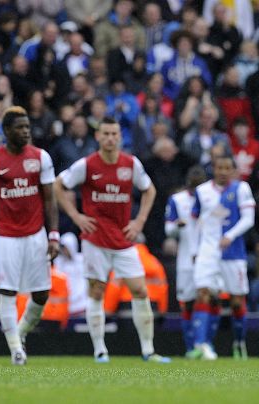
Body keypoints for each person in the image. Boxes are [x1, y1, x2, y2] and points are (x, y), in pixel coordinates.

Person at [53, 117, 170, 364]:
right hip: (95, 239)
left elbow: (149, 190)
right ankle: (100, 350)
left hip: (123, 239)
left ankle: (148, 350)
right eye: (105, 133)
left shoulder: (131, 164)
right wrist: (76, 216)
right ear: (98, 136)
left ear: (120, 137)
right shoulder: (86, 165)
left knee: (140, 290)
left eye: (114, 134)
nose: (109, 138)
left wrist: (139, 222)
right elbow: (58, 185)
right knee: (96, 292)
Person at [0, 106, 60, 365]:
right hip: (5, 235)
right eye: (20, 128)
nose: (26, 132)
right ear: (7, 131)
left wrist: (54, 234)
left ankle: (20, 333)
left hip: (35, 234)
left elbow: (49, 199)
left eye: (27, 127)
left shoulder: (41, 157)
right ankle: (16, 351)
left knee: (42, 295)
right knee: (7, 292)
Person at [188, 154, 256, 361]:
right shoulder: (202, 191)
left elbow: (248, 219)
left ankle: (239, 342)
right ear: (214, 169)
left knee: (236, 301)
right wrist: (194, 250)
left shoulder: (241, 189)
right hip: (208, 252)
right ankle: (201, 345)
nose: (223, 172)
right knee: (203, 293)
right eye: (220, 168)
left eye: (228, 168)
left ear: (233, 171)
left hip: (233, 253)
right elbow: (194, 222)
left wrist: (230, 235)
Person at [164, 166, 207, 357]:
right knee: (188, 302)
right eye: (193, 186)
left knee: (206, 298)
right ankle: (191, 347)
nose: (196, 190)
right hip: (185, 260)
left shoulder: (211, 198)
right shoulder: (177, 200)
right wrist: (176, 226)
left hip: (207, 257)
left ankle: (204, 344)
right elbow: (168, 229)